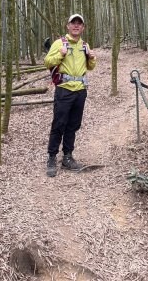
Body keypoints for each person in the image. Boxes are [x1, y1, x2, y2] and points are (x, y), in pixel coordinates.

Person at [44, 14, 96, 177]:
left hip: (80, 90)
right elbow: (47, 62)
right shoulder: (60, 43)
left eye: (79, 23)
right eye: (73, 23)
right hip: (64, 89)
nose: (76, 26)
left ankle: (67, 156)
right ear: (68, 26)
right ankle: (52, 157)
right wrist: (60, 54)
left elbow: (90, 67)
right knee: (59, 123)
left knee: (73, 125)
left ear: (83, 28)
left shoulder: (84, 45)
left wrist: (92, 58)